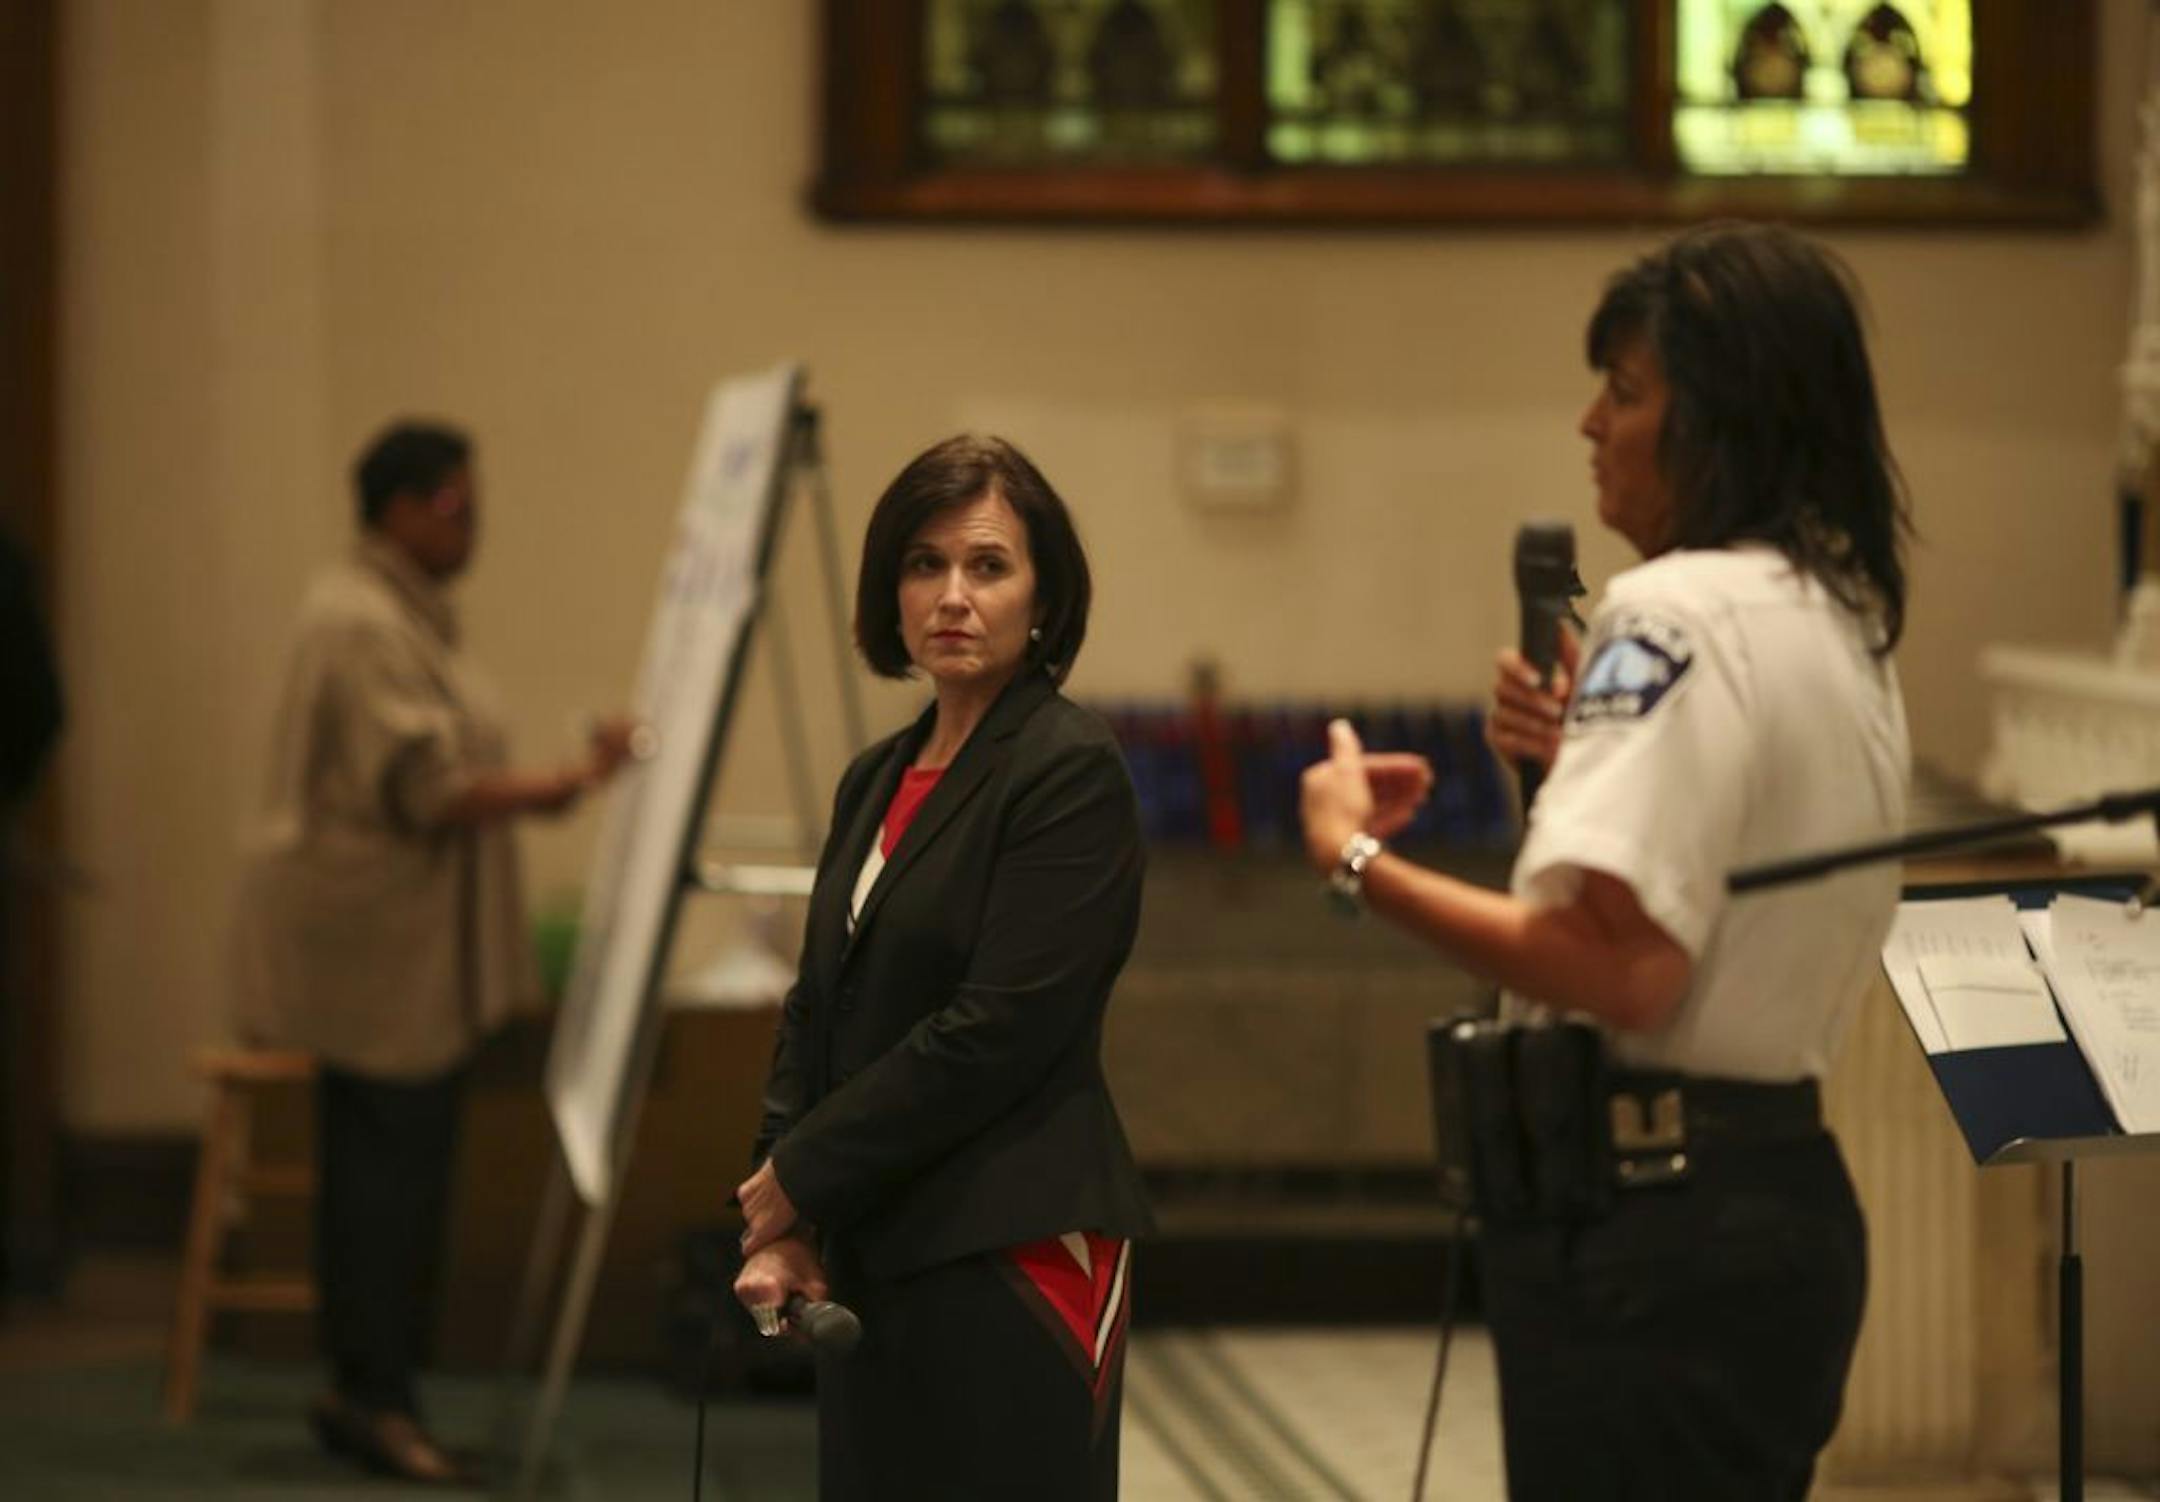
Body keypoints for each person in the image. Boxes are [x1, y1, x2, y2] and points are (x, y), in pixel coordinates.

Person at [1300, 222, 1911, 1500]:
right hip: (1784, 1199)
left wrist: (1355, 855)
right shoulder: (1839, 614)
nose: (1591, 424)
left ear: (1720, 419)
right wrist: (1582, 750)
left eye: (1626, 393)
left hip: (1652, 1221)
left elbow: (1624, 969)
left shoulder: (1670, 610)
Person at [733, 434, 1153, 1501]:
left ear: (1042, 595)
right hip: (880, 1234)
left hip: (1015, 1245)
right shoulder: (875, 775)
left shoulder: (1069, 766)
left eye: (988, 565)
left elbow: (996, 1028)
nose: (952, 595)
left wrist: (806, 1171)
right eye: (925, 564)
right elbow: (815, 1001)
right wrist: (783, 1210)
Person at [231, 421, 635, 1483]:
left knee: (382, 1174)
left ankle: (365, 1390)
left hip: (389, 955)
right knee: (387, 1183)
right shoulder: (362, 619)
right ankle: (378, 1397)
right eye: (455, 504)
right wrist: (568, 782)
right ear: (397, 509)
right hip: (380, 962)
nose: (474, 523)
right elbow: (426, 786)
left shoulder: (391, 612)